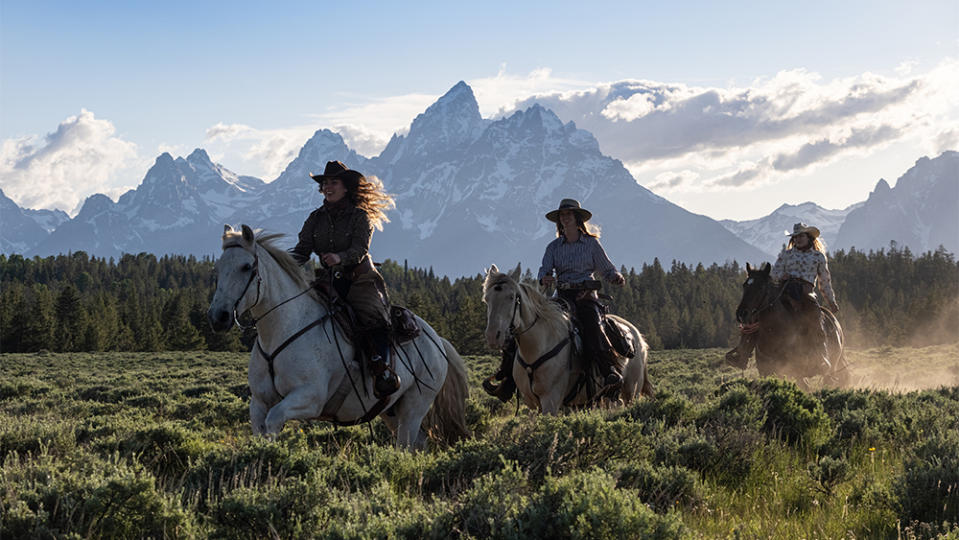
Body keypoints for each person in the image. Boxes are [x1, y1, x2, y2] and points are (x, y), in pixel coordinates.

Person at [483, 198, 627, 402]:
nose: (565, 218)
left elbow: (607, 268)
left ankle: (609, 372)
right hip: (561, 297)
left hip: (586, 296)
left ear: (577, 218)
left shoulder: (592, 244)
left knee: (593, 326)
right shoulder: (553, 247)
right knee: (524, 329)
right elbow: (544, 270)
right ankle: (508, 378)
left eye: (569, 214)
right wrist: (544, 278)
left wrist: (615, 276)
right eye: (562, 215)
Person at [290, 160, 399, 398]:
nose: (328, 187)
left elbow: (360, 249)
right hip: (328, 280)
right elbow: (302, 250)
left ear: (346, 187)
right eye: (325, 183)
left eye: (334, 182)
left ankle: (383, 370)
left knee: (374, 317)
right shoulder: (314, 218)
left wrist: (339, 257)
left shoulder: (360, 217)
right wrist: (281, 264)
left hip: (359, 279)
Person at [726, 222, 839, 372]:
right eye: (796, 236)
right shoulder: (786, 254)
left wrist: (831, 300)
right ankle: (742, 353)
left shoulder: (818, 256)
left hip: (805, 291)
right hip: (783, 288)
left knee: (814, 316)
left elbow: (824, 281)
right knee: (759, 312)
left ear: (809, 237)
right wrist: (781, 276)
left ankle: (820, 355)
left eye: (801, 236)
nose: (798, 239)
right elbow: (774, 274)